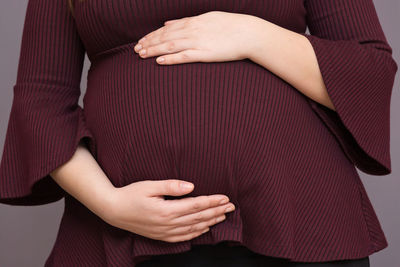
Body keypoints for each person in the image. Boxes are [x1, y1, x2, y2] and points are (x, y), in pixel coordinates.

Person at [0, 0, 397, 266]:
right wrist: (109, 205)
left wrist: (253, 35)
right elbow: (41, 99)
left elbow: (370, 70)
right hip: (126, 233)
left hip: (298, 217)